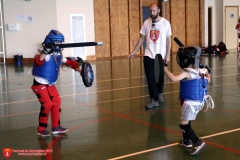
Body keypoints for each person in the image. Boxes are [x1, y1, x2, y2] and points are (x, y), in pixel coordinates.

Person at [164, 46, 214, 155]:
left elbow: (173, 78)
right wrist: (207, 71)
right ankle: (186, 141)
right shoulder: (201, 72)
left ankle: (197, 142)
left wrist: (165, 70)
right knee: (186, 120)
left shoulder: (188, 73)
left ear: (187, 59)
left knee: (184, 124)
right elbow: (208, 80)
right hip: (198, 103)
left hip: (190, 103)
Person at [31, 30, 82, 137]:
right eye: (57, 43)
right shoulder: (42, 53)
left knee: (56, 102)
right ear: (51, 41)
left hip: (50, 84)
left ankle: (56, 127)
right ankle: (41, 129)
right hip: (39, 84)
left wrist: (81, 71)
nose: (59, 45)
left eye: (60, 43)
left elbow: (69, 63)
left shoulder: (58, 54)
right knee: (47, 105)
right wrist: (46, 51)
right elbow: (39, 61)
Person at [128, 2, 172, 109]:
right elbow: (142, 38)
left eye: (154, 11)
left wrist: (168, 54)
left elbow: (168, 40)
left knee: (160, 77)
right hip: (148, 55)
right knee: (151, 78)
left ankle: (159, 93)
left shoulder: (166, 23)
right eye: (150, 11)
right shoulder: (146, 23)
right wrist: (134, 51)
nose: (152, 13)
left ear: (158, 11)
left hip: (160, 56)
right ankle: (154, 99)